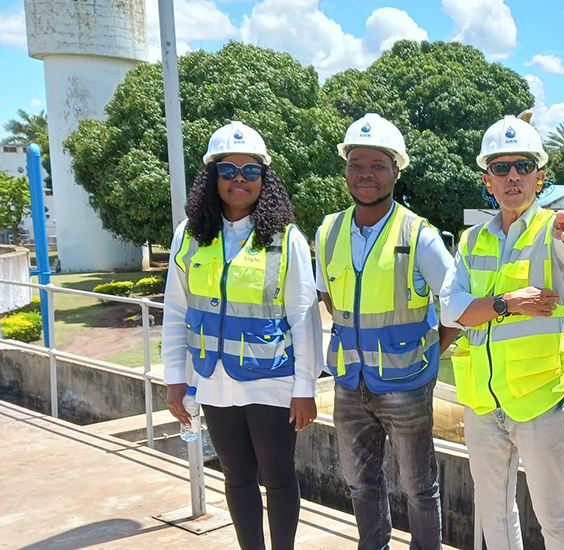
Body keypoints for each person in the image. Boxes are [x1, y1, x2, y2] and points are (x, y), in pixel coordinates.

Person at [163, 120, 323, 550]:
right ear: (211, 177)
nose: (239, 179)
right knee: (235, 475)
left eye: (251, 171)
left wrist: (305, 387)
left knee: (278, 475)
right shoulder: (189, 236)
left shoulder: (285, 240)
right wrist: (175, 376)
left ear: (264, 179)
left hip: (272, 379)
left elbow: (303, 317)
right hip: (212, 379)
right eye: (227, 170)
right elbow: (176, 312)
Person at [441, 115, 564, 550]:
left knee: (557, 517)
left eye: (523, 166)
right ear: (488, 179)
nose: (512, 176)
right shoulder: (471, 241)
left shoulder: (553, 231)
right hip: (482, 401)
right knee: (493, 517)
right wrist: (509, 304)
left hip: (540, 399)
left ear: (540, 177)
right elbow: (452, 310)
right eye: (501, 168)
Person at [315, 113, 456, 550]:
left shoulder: (419, 234)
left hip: (408, 384)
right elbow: (329, 296)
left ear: (396, 170)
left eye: (377, 165)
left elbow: (455, 307)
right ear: (345, 170)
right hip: (348, 383)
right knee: (361, 483)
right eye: (356, 164)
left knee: (419, 487)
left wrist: (429, 352)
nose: (365, 174)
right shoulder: (328, 230)